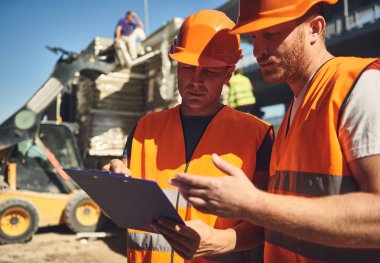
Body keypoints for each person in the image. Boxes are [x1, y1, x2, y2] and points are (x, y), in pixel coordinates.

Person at [159, 0, 380, 262]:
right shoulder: (295, 112)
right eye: (254, 37)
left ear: (314, 29)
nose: (258, 50)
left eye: (270, 34)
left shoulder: (359, 86)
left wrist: (253, 204)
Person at [103, 9, 273, 263]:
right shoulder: (145, 129)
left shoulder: (257, 136)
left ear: (228, 73)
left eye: (209, 72)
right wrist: (113, 178)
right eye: (187, 68)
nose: (195, 81)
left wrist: (221, 241)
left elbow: (266, 223)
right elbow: (123, 179)